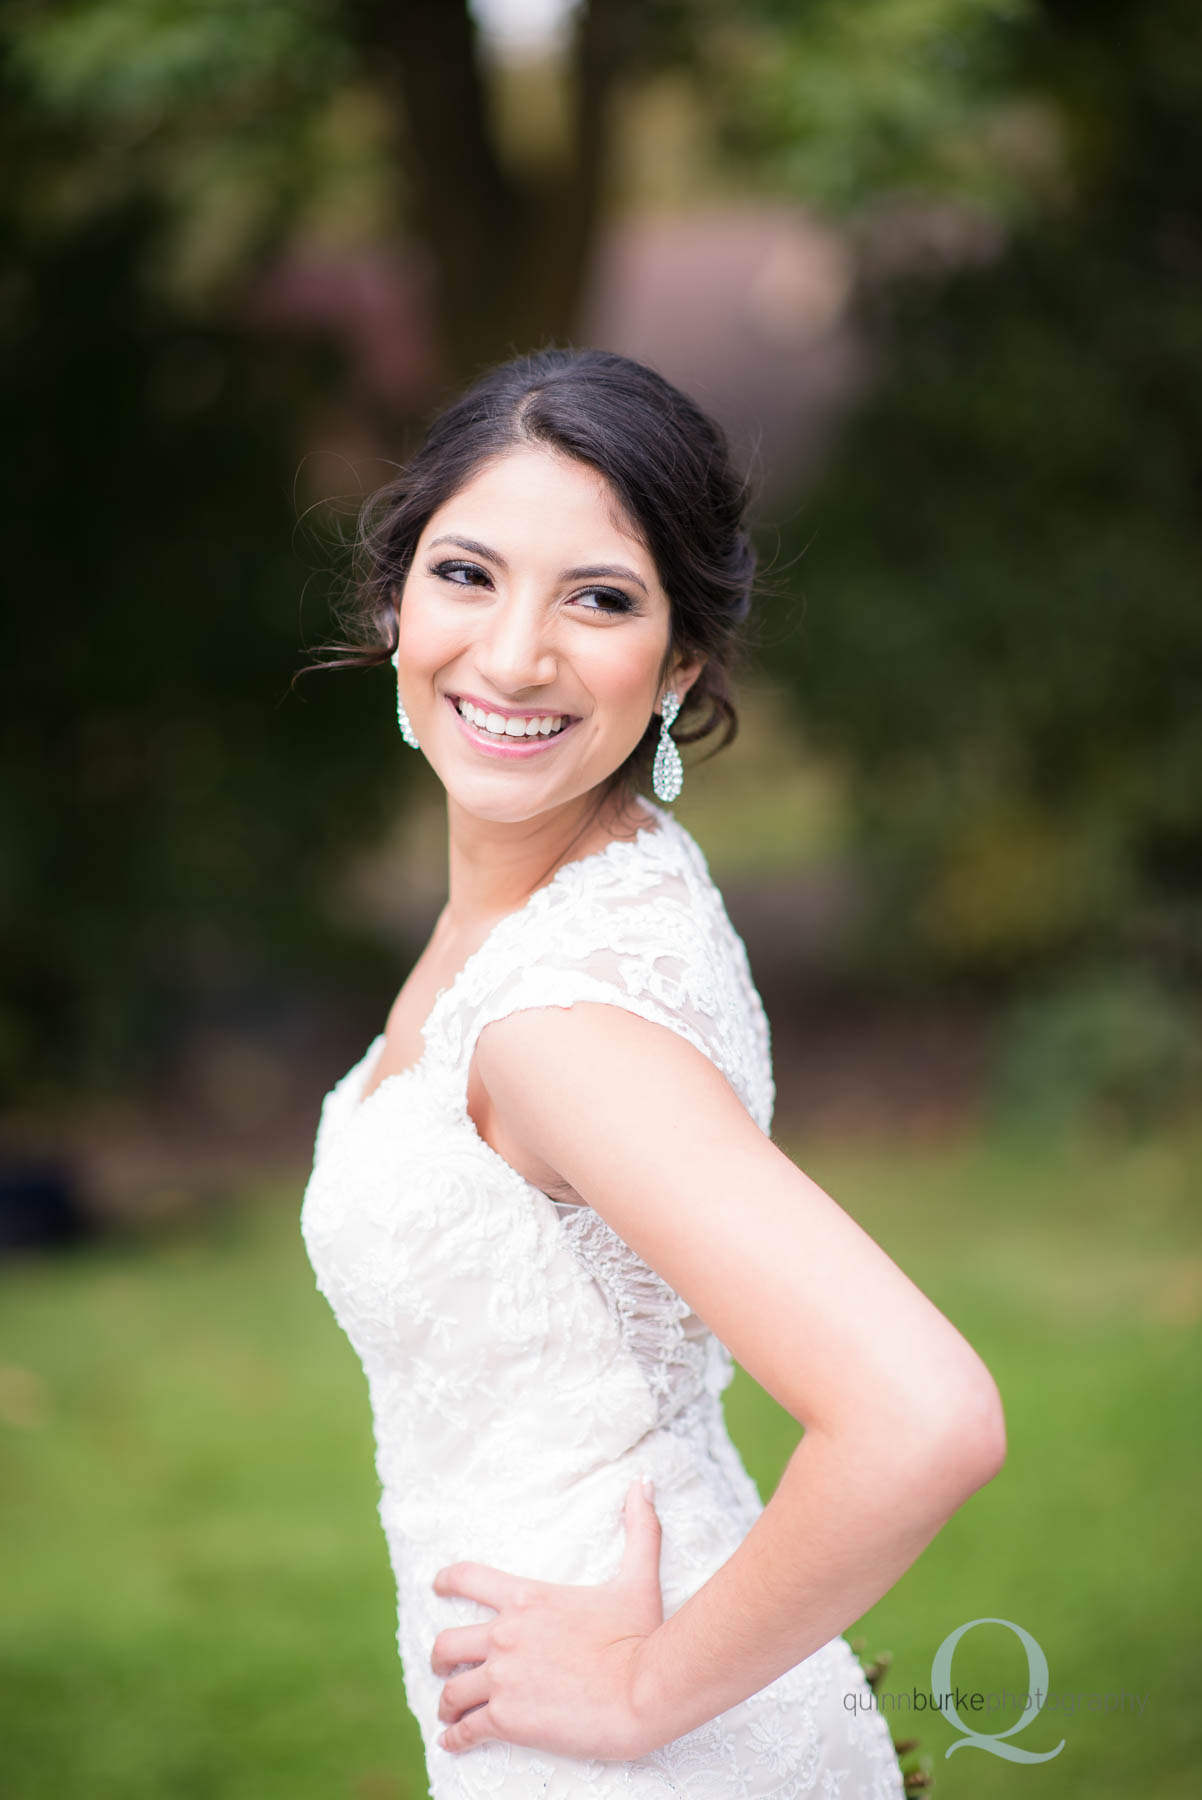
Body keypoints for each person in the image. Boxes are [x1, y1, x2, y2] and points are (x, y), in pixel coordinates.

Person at [299, 346, 1005, 1797]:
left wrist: (638, 1695)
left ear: (680, 658)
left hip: (623, 1739)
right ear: (392, 599)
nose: (509, 657)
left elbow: (922, 1415)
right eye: (467, 574)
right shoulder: (586, 890)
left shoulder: (559, 1023)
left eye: (600, 599)